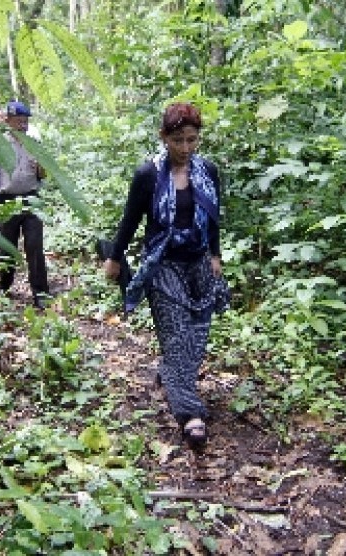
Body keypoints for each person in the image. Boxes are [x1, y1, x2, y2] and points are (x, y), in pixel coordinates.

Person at [103, 102, 229, 450]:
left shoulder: (208, 170)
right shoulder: (148, 175)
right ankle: (190, 414)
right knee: (176, 337)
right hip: (163, 264)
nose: (186, 148)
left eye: (192, 140)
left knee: (198, 333)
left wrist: (215, 254)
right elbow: (130, 219)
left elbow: (214, 215)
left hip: (199, 262)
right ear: (164, 137)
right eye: (178, 140)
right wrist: (115, 257)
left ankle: (172, 374)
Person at [0, 100, 50, 308]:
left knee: (34, 245)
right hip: (7, 199)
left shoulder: (34, 143)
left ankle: (41, 293)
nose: (22, 124)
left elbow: (43, 175)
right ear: (8, 121)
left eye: (25, 121)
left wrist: (40, 167)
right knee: (6, 245)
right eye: (18, 121)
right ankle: (4, 286)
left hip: (31, 199)